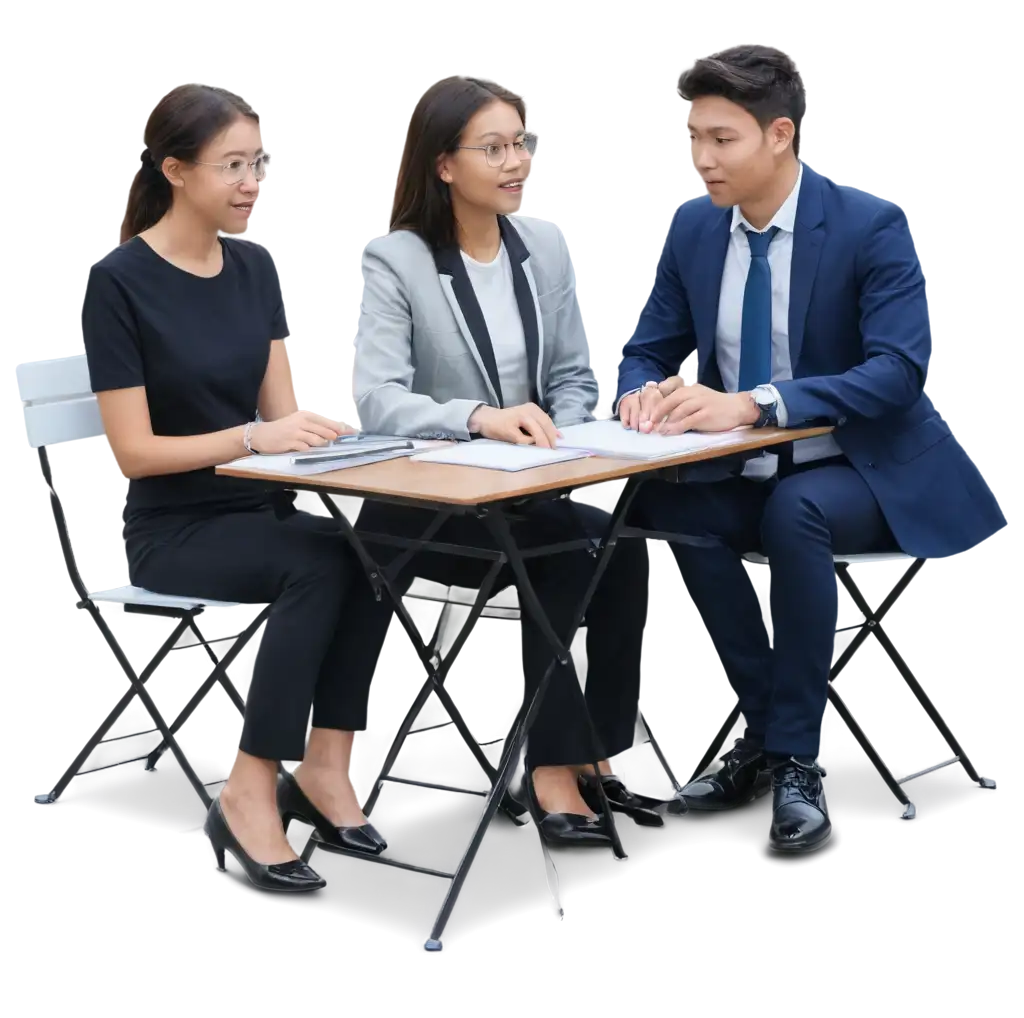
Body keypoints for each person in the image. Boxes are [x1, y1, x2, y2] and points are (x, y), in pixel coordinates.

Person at [616, 47, 1004, 856]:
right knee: (667, 506)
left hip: (862, 469)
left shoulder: (869, 226)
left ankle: (794, 759)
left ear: (780, 134)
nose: (700, 158)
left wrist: (757, 402)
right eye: (692, 136)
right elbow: (645, 346)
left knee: (796, 515)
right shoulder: (692, 228)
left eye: (721, 139)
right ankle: (762, 734)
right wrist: (639, 392)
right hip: (744, 470)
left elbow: (898, 373)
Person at [80, 82, 389, 894]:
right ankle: (252, 785)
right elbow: (132, 454)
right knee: (317, 564)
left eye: (261, 163)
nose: (254, 182)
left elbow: (284, 421)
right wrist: (254, 437)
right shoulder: (116, 282)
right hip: (171, 531)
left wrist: (335, 439)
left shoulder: (254, 269)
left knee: (366, 545)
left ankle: (326, 767)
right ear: (176, 170)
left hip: (260, 507)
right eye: (234, 166)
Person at [353, 76, 667, 851]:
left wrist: (575, 438)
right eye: (493, 147)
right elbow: (376, 401)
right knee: (567, 559)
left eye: (522, 142)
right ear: (444, 165)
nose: (515, 161)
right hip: (428, 504)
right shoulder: (396, 259)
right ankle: (548, 769)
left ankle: (601, 744)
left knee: (629, 549)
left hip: (529, 489)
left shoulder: (546, 245)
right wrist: (478, 419)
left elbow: (569, 377)